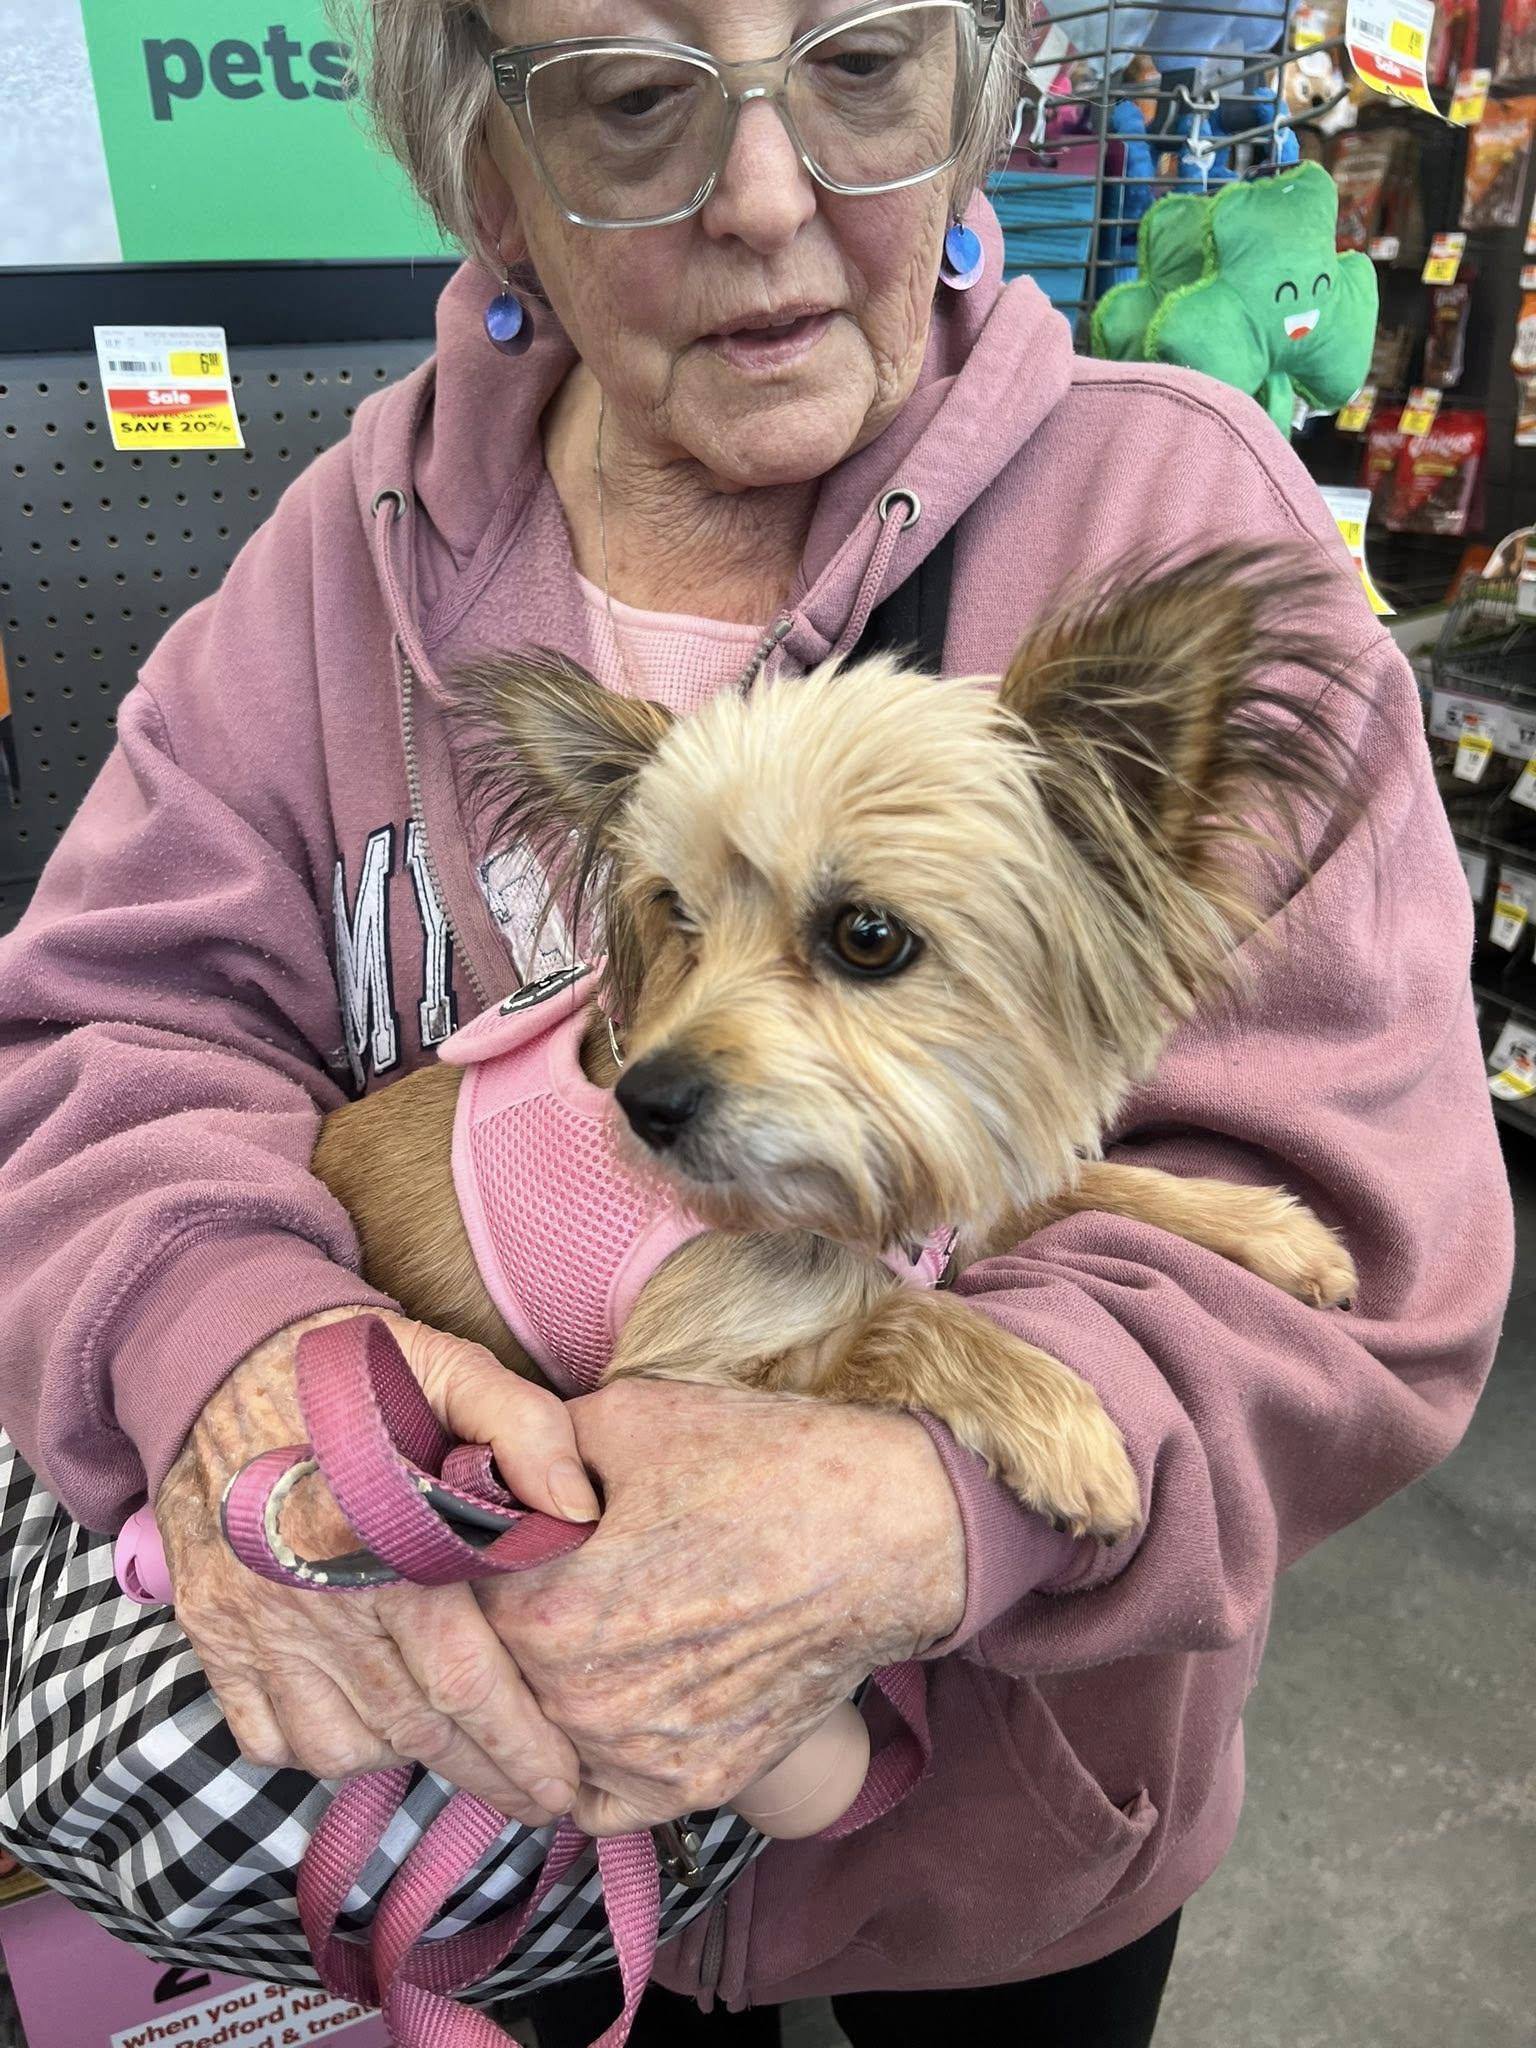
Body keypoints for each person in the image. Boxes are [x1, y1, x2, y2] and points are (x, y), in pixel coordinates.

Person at [0, 3, 1511, 2044]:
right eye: (636, 104)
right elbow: (98, 1036)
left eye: (865, 70)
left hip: (1005, 1848)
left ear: (981, 97)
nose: (769, 194)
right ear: (489, 180)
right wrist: (226, 1342)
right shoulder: (325, 579)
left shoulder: (1171, 516)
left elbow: (1367, 1256)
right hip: (496, 1840)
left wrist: (929, 1500)